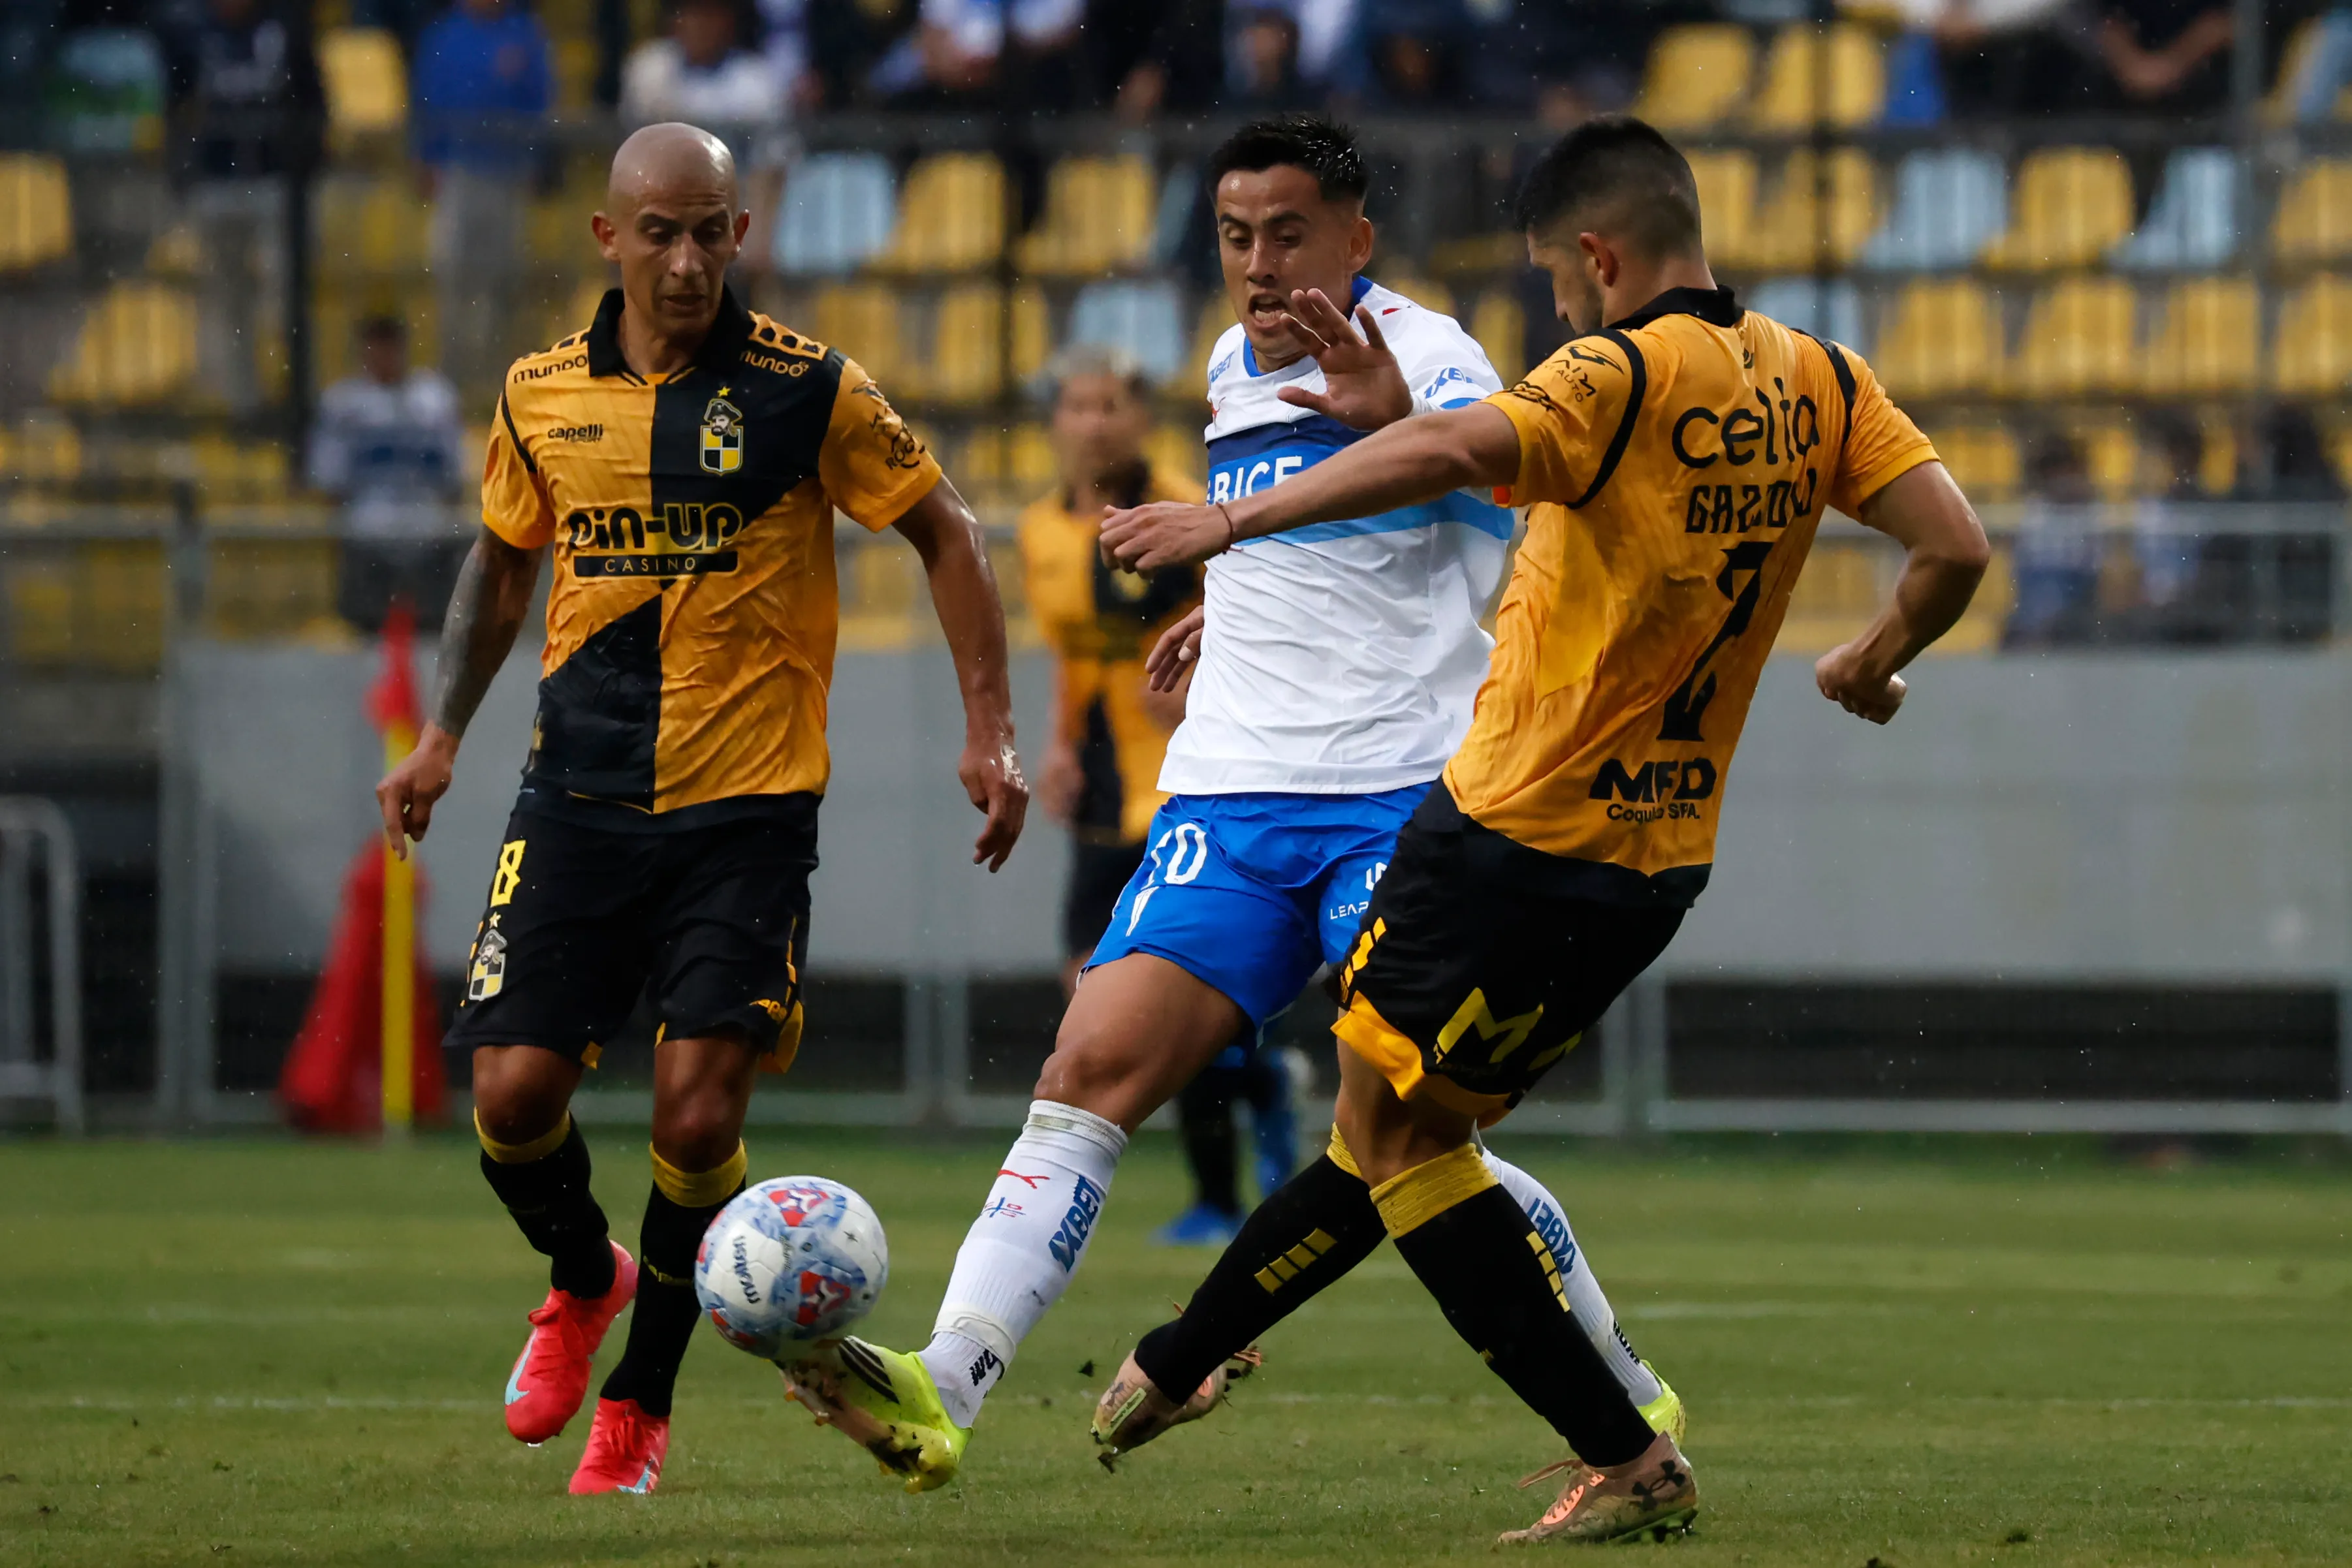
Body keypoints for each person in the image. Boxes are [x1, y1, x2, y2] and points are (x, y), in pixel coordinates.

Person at [1095, 115, 1989, 1544]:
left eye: (1556, 282)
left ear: (1595, 256)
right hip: (1655, 861)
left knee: (1394, 1146)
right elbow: (1953, 547)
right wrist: (1871, 657)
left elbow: (1452, 441)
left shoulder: (1613, 370)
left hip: (1509, 827)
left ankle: (1622, 1452)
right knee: (1400, 1127)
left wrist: (1226, 526)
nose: (1556, 307)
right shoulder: (1821, 378)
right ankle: (1178, 1359)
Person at [780, 113, 1681, 1496]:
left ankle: (1623, 1392)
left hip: (1400, 800)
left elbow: (1498, 490)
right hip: (1233, 791)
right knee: (1085, 1075)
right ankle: (942, 1385)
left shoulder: (1428, 352)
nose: (1259, 264)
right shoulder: (1222, 365)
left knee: (1414, 1135)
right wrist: (1227, 597)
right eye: (1235, 236)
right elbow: (1315, 529)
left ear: (1356, 238)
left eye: (1289, 234)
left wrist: (1325, 466)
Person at [372, 122, 1028, 1497]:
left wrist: (990, 729)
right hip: (580, 798)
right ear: (607, 239)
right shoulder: (538, 393)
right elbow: (500, 572)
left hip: (747, 813)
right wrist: (441, 735)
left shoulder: (810, 389)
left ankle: (642, 1403)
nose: (684, 259)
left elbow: (945, 529)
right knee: (510, 1094)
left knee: (691, 1113)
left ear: (741, 235)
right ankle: (582, 1275)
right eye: (657, 232)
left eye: (709, 231)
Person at [1013, 343, 1286, 1248]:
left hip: (1190, 774)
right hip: (1098, 782)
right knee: (1089, 991)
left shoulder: (1192, 511)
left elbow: (1253, 617)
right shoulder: (1040, 531)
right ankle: (1261, 1090)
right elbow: (1070, 654)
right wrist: (1053, 747)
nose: (1092, 421)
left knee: (1177, 997)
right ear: (1058, 421)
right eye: (1077, 405)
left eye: (1109, 405)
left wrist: (1201, 681)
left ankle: (1218, 1191)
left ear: (1138, 418)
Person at [161, 0, 323, 416]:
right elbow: (176, 106)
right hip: (217, 181)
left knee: (284, 290)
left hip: (274, 179)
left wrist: (303, 166)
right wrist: (185, 171)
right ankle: (242, 404)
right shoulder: (193, 34)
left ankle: (293, 392)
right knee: (227, 297)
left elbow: (314, 99)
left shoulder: (284, 27)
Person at [410, 0, 551, 392]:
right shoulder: (443, 34)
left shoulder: (524, 33)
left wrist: (534, 161)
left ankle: (500, 378)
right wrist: (426, 158)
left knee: (503, 276)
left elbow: (540, 100)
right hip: (457, 171)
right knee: (454, 273)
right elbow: (424, 100)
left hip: (509, 173)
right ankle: (454, 376)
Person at [308, 314, 468, 635]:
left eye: (390, 347)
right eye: (376, 348)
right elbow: (331, 484)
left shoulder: (434, 400)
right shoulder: (345, 405)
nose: (384, 356)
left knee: (434, 639)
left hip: (428, 540)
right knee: (365, 637)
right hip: (368, 540)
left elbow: (453, 478)